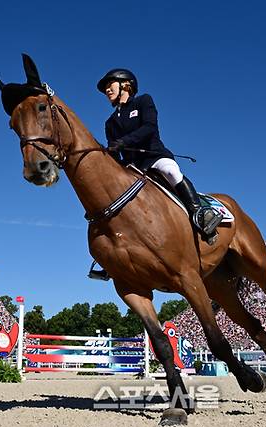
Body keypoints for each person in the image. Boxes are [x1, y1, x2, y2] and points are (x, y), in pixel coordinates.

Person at [88, 68, 222, 281]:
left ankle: (200, 213)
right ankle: (111, 256)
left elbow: (149, 128)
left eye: (110, 84)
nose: (106, 90)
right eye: (105, 87)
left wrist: (123, 142)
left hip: (154, 157)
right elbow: (115, 152)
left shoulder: (143, 101)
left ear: (126, 85)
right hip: (132, 167)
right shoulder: (110, 122)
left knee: (171, 170)